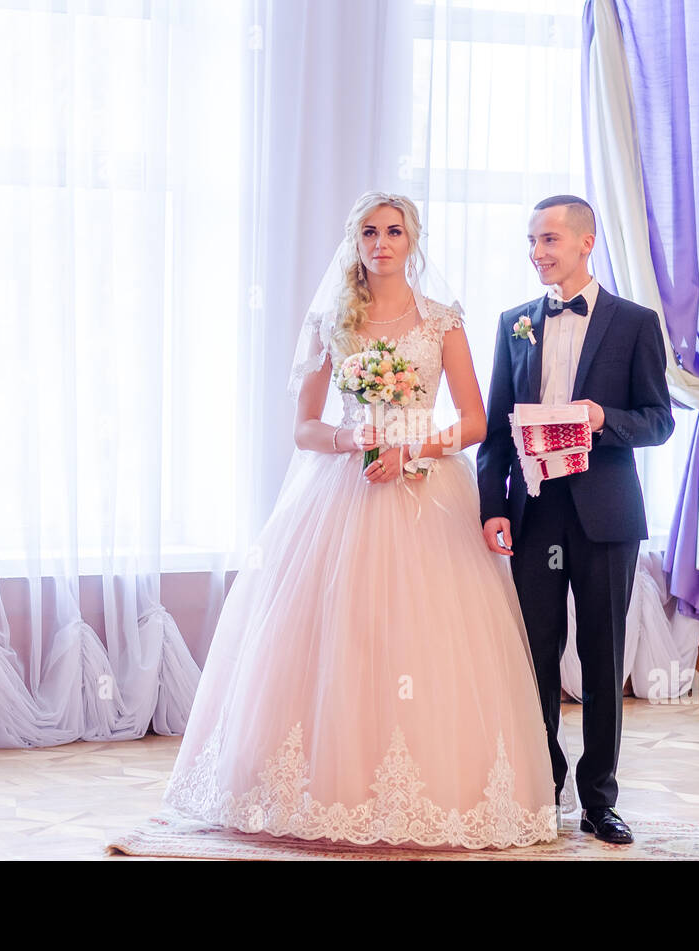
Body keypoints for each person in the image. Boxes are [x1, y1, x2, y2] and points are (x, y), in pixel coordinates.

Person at [161, 191, 557, 850]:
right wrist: (357, 442)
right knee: (339, 633)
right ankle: (324, 789)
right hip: (341, 493)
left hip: (428, 491)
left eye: (393, 230)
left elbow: (477, 420)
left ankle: (435, 791)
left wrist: (412, 447)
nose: (381, 242)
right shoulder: (332, 325)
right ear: (355, 242)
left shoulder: (443, 322)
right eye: (369, 231)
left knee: (423, 637)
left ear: (412, 240)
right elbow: (306, 428)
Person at [477, 195, 675, 844]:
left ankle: (599, 798)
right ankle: (542, 789)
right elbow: (495, 433)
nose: (537, 251)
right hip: (536, 516)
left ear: (587, 242)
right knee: (532, 658)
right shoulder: (513, 325)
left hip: (605, 517)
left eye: (550, 239)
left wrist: (600, 419)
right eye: (531, 240)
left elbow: (659, 421)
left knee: (601, 656)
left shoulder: (636, 322)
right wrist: (492, 508)